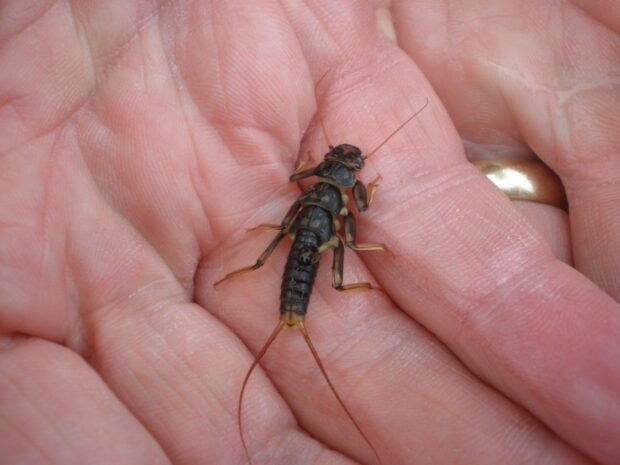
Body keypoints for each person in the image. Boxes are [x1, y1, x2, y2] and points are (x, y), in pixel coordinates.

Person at [0, 1, 618, 464]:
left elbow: (335, 207)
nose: (350, 169)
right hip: (314, 238)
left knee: (299, 243)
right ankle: (308, 302)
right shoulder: (344, 197)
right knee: (324, 247)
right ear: (341, 173)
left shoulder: (319, 189)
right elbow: (360, 218)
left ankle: (296, 303)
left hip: (305, 235)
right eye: (349, 168)